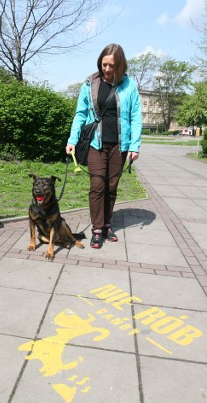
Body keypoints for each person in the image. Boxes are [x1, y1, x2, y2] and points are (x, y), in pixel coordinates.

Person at [66, 43, 142, 249]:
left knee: (111, 187)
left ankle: (107, 223)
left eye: (112, 66)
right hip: (95, 144)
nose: (107, 69)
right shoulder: (90, 83)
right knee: (97, 186)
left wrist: (135, 146)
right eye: (104, 64)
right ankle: (97, 228)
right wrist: (72, 140)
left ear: (120, 66)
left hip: (120, 144)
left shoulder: (129, 86)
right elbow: (80, 114)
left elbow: (135, 117)